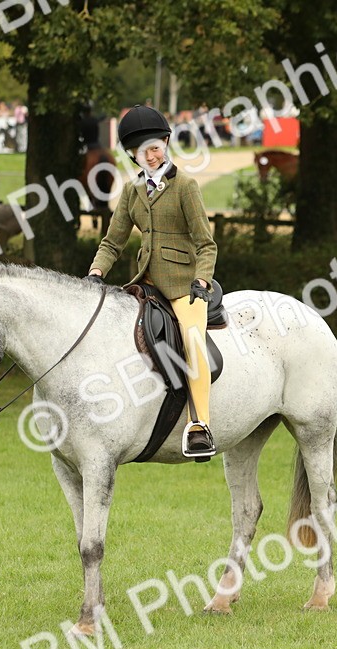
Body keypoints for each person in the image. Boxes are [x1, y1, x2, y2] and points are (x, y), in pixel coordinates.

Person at [86, 104, 218, 459]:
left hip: (183, 286)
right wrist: (97, 271)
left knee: (192, 341)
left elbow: (206, 243)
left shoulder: (186, 186)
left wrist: (202, 280)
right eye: (143, 151)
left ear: (166, 144)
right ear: (133, 155)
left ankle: (199, 425)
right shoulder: (131, 192)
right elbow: (113, 242)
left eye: (156, 146)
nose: (152, 154)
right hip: (144, 282)